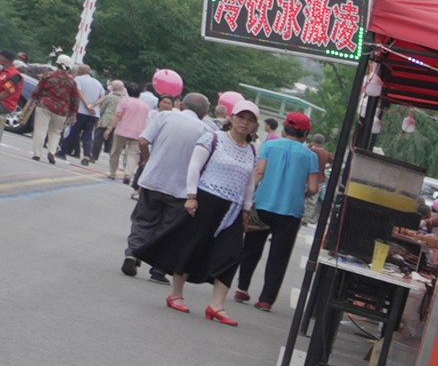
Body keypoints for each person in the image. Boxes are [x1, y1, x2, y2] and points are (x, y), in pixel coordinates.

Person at [146, 103, 263, 322]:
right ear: (232, 117)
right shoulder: (214, 138)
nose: (245, 122)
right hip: (206, 199)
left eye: (250, 119)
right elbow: (194, 167)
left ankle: (217, 306)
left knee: (231, 254)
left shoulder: (251, 150)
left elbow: (249, 182)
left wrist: (247, 209)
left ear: (255, 124)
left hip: (234, 208)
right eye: (241, 117)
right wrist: (191, 196)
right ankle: (176, 295)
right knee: (192, 246)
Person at [123, 94, 224, 280]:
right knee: (168, 228)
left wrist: (147, 159)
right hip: (181, 188)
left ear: (183, 104)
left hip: (154, 178)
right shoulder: (206, 130)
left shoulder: (164, 116)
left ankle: (133, 253)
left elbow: (143, 141)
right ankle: (158, 270)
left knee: (144, 220)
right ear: (204, 112)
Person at [230, 111, 323, 311]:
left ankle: (242, 288)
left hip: (262, 205)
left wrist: (249, 195)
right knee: (279, 256)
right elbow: (314, 188)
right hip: (290, 212)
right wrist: (300, 194)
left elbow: (259, 171)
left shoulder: (270, 145)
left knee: (251, 249)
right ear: (306, 134)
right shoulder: (310, 155)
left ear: (283, 129)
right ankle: (266, 299)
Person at [29, 55, 78, 164]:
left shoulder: (48, 75)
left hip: (45, 104)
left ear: (57, 64)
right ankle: (51, 152)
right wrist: (73, 114)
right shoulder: (72, 82)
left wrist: (33, 98)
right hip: (62, 110)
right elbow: (75, 99)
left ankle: (37, 154)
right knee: (56, 132)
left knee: (40, 129)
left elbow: (39, 89)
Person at [107, 80, 154, 182]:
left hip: (121, 130)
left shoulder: (124, 101)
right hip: (138, 133)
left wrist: (109, 128)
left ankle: (112, 172)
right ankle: (128, 174)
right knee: (133, 154)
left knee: (116, 151)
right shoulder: (146, 106)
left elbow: (118, 115)